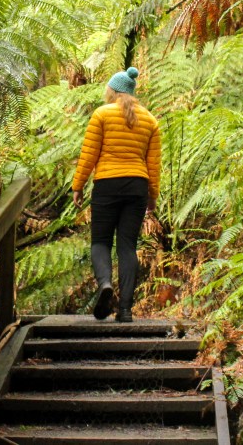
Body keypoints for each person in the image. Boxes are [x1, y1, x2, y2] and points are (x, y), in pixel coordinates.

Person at [72, 66, 161, 323]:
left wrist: (78, 186)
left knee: (100, 241)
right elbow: (154, 164)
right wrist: (152, 195)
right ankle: (125, 310)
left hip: (107, 184)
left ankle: (104, 285)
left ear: (112, 91)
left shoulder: (101, 115)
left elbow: (89, 154)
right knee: (127, 247)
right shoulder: (150, 120)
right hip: (137, 187)